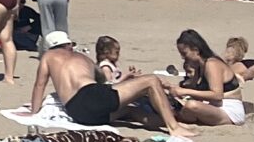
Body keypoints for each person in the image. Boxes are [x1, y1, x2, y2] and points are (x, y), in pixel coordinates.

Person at [26, 32, 184, 132]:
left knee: (129, 111)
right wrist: (130, 82)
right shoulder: (83, 58)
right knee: (151, 81)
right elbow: (103, 86)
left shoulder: (48, 57)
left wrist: (34, 112)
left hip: (79, 113)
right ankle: (174, 126)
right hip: (92, 96)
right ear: (69, 45)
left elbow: (39, 85)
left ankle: (168, 123)